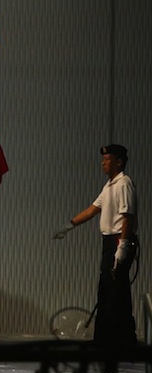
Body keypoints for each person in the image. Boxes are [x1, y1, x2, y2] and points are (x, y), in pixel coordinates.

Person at [53, 144, 138, 348]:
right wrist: (69, 225)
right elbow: (92, 209)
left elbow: (127, 217)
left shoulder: (123, 183)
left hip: (120, 239)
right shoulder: (109, 185)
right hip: (109, 241)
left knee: (116, 290)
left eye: (108, 159)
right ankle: (105, 338)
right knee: (106, 289)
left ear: (118, 162)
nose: (103, 162)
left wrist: (123, 246)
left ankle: (121, 339)